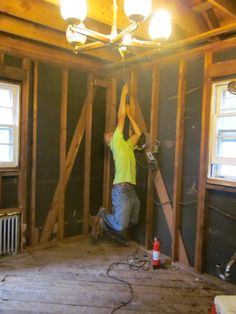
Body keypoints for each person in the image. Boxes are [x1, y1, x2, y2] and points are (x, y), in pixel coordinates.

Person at [92, 83, 142, 243]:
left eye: (110, 133)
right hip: (120, 189)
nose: (110, 133)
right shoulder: (116, 144)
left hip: (130, 190)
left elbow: (138, 133)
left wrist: (129, 115)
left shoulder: (126, 145)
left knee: (134, 220)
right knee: (121, 226)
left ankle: (105, 222)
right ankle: (102, 215)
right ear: (109, 142)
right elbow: (120, 118)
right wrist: (123, 93)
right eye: (108, 135)